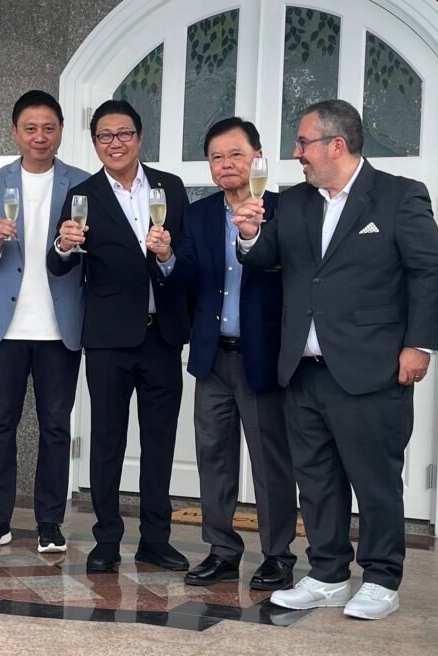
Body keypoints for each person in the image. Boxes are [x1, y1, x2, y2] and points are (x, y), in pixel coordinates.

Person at [237, 99, 438, 619]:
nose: (296, 153)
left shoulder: (399, 196)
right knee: (316, 480)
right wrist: (248, 234)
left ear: (336, 144)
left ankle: (381, 578)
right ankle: (328, 572)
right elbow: (265, 260)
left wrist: (419, 345)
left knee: (374, 480)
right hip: (302, 369)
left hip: (372, 367)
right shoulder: (295, 202)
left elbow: (429, 272)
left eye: (303, 142)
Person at [148, 117, 297, 591]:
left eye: (236, 154)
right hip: (213, 357)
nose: (226, 164)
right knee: (213, 457)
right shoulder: (199, 213)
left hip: (264, 356)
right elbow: (186, 274)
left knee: (270, 461)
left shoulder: (286, 210)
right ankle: (222, 551)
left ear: (258, 158)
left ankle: (277, 555)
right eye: (216, 157)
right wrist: (167, 256)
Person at [46, 99, 191, 574]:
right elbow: (59, 260)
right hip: (108, 340)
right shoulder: (83, 195)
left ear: (140, 137)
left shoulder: (170, 187)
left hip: (163, 336)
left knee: (159, 442)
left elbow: (186, 262)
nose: (115, 143)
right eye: (105, 136)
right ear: (95, 144)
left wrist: (167, 257)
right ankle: (106, 539)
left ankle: (156, 539)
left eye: (124, 133)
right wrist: (65, 245)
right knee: (107, 442)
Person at [0, 90, 89, 554]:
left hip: (60, 325)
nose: (40, 136)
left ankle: (50, 522)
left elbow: (95, 254)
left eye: (48, 128)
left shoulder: (82, 183)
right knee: (0, 423)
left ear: (60, 132)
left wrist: (75, 246)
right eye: (30, 128)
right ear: (15, 132)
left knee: (56, 425)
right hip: (5, 326)